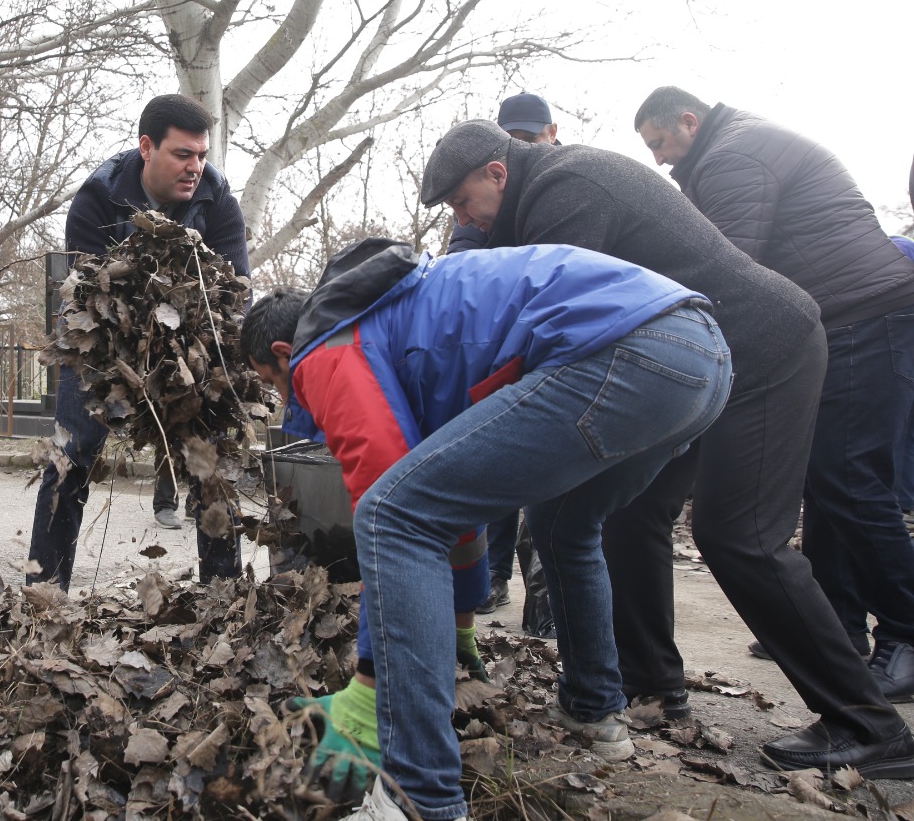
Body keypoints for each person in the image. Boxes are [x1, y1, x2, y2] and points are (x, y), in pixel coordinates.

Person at [419, 120, 914, 776]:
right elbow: (482, 266)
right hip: (699, 363)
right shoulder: (536, 194)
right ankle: (654, 689)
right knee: (618, 515)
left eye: (461, 201)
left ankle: (868, 725)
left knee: (739, 537)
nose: (465, 218)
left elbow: (542, 319)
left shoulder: (568, 188)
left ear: (497, 173)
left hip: (763, 350)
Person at [245, 240, 732, 821]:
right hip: (699, 354)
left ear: (283, 351)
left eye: (272, 382)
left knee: (390, 515)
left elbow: (391, 512)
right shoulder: (402, 321)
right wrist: (459, 623)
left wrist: (371, 682)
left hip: (624, 352)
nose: (282, 397)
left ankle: (417, 798)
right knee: (564, 526)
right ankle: (594, 709)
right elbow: (453, 500)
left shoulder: (324, 348)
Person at [635, 88, 914, 695]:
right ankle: (839, 628)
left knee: (853, 481)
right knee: (828, 481)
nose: (658, 159)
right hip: (839, 318)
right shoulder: (731, 150)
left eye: (659, 143)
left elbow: (727, 266)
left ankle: (906, 632)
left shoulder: (732, 158)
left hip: (861, 316)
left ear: (689, 120)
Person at [26, 94, 250, 589]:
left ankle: (224, 595)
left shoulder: (216, 200)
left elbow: (236, 295)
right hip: (101, 351)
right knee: (70, 460)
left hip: (192, 350)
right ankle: (44, 594)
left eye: (202, 155)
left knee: (210, 463)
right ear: (147, 147)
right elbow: (90, 301)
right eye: (182, 154)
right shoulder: (98, 198)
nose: (196, 167)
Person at [453, 92, 560, 618]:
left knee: (551, 481)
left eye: (529, 138)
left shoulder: (565, 186)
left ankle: (545, 592)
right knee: (495, 470)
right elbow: (461, 271)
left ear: (550, 134)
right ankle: (492, 578)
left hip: (552, 346)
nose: (521, 147)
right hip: (500, 346)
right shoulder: (475, 203)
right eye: (511, 137)